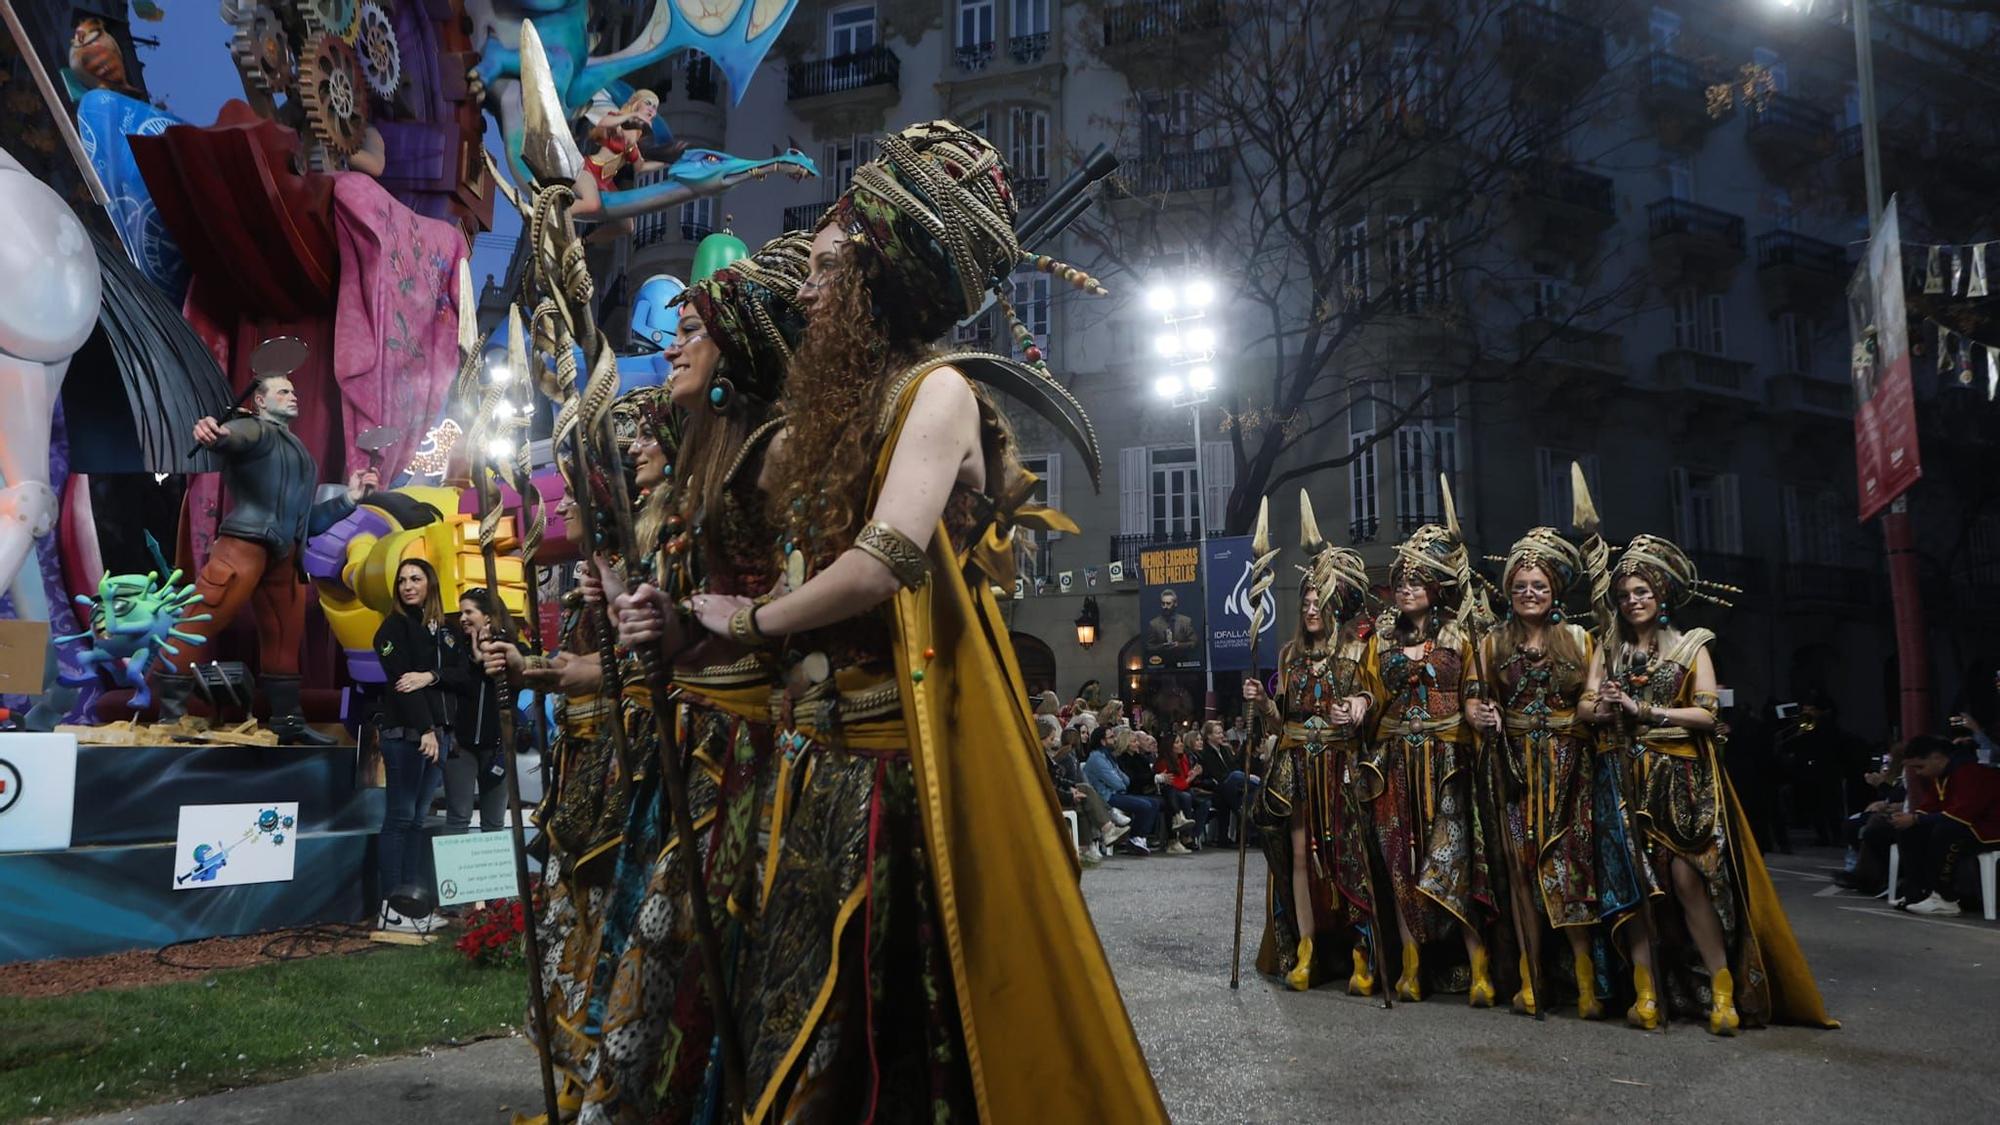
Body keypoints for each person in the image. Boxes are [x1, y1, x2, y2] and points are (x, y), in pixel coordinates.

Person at [616, 122, 1162, 1119]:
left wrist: (749, 623)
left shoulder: (936, 390)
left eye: (830, 269)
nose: (809, 287)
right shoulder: (833, 407)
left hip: (895, 785)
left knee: (875, 1033)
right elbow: (754, 539)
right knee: (780, 1018)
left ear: (875, 281)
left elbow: (883, 558)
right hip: (807, 766)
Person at [1583, 535, 1836, 1034]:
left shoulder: (1692, 644)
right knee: (1633, 886)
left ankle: (1722, 988)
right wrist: (1607, 704)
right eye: (1624, 594)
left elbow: (1706, 711)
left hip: (1680, 780)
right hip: (1621, 776)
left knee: (1685, 880)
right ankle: (1646, 990)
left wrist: (1646, 711)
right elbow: (1586, 708)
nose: (1632, 600)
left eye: (1642, 591)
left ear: (1661, 594)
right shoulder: (1607, 648)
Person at [154, 367, 379, 741]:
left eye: (293, 391)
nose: (293, 396)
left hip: (285, 552)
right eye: (282, 392)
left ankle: (287, 721)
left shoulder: (300, 453)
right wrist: (215, 433)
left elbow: (308, 519)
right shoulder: (253, 429)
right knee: (200, 618)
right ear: (259, 401)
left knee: (284, 636)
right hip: (244, 544)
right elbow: (232, 438)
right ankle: (169, 715)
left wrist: (350, 499)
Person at [1464, 528, 1602, 1019]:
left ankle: (1585, 978)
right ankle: (1529, 973)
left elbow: (1589, 698)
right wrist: (1479, 713)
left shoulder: (1582, 640)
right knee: (1522, 872)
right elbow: (1475, 697)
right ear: (1508, 590)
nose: (1528, 593)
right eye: (1520, 585)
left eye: (1538, 585)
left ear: (1555, 591)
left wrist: (1596, 708)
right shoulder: (1492, 642)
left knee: (1572, 872)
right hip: (1514, 770)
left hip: (1570, 772)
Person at [1359, 517, 1495, 1006]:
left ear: (1435, 588)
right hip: (1395, 760)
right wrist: (1358, 706)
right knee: (1401, 858)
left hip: (1448, 762)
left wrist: (1480, 712)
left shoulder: (1462, 635)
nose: (1406, 589)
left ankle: (1479, 964)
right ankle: (1411, 965)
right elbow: (1369, 693)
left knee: (1454, 858)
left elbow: (1475, 690)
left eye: (1416, 582)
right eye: (1400, 582)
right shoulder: (1380, 640)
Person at [1245, 528, 1378, 994]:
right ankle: (1305, 947)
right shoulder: (1289, 655)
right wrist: (1261, 703)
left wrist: (1357, 707)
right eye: (1305, 601)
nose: (1310, 608)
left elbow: (1369, 698)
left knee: (1348, 856)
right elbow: (1280, 723)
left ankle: (1363, 949)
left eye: (1318, 599)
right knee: (1300, 856)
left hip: (1340, 768)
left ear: (1337, 604)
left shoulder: (1359, 651)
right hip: (1298, 766)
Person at [371, 558, 464, 931]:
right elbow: (403, 684)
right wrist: (425, 728)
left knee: (415, 822)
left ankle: (411, 906)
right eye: (402, 581)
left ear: (430, 584)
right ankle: (391, 908)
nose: (408, 586)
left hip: (438, 735)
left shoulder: (439, 629)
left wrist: (432, 675)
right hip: (407, 736)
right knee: (399, 818)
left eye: (416, 579)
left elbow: (460, 676)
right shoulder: (392, 629)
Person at [1897, 736, 2000, 915]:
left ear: (1937, 757)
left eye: (1919, 767)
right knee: (1911, 832)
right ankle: (1918, 892)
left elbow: (1961, 815)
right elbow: (1930, 807)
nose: (1918, 773)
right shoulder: (1943, 775)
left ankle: (1946, 898)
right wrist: (1911, 819)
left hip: (1990, 828)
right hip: (1970, 825)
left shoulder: (1970, 771)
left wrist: (1916, 819)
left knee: (1946, 832)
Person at [445, 587, 517, 835]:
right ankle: (453, 875)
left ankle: (493, 874)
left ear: (487, 616)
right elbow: (457, 679)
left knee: (494, 823)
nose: (462, 618)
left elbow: (514, 676)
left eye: (469, 612)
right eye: (460, 612)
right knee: (458, 818)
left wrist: (486, 649)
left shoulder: (513, 648)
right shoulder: (455, 648)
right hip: (461, 746)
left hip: (499, 747)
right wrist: (473, 653)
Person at [1046, 716, 1127, 862]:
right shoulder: (1067, 757)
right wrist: (1070, 794)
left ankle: (1088, 845)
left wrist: (1070, 788)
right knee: (1084, 792)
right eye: (1051, 739)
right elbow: (1049, 785)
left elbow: (1057, 781)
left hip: (1059, 792)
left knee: (1084, 792)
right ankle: (1105, 828)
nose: (1053, 742)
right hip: (1050, 797)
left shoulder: (1064, 756)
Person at [1086, 726, 1155, 854]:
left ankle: (1138, 838)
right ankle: (1134, 839)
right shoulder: (1097, 758)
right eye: (1111, 737)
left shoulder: (1108, 757)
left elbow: (1125, 780)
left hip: (1115, 793)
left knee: (1152, 803)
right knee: (1145, 806)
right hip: (1106, 797)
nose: (1115, 739)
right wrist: (1120, 782)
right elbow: (1119, 783)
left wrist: (1120, 781)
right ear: (1102, 741)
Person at [1156, 731, 1207, 853]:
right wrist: (1191, 777)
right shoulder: (1163, 761)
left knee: (1205, 803)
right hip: (1170, 792)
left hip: (1182, 790)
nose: (1181, 745)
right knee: (1185, 797)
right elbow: (1175, 784)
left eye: (1181, 742)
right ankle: (1185, 836)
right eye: (1177, 742)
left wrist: (1191, 774)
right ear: (1170, 746)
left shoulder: (1182, 758)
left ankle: (1192, 835)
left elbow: (1183, 780)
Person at [1146, 587, 1197, 665]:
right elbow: (1149, 647)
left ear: (1175, 604)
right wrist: (1162, 646)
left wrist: (1179, 645)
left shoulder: (1186, 621)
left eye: (1168, 603)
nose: (1165, 606)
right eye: (1163, 603)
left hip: (1183, 665)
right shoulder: (1154, 624)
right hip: (1161, 665)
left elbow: (1194, 643)